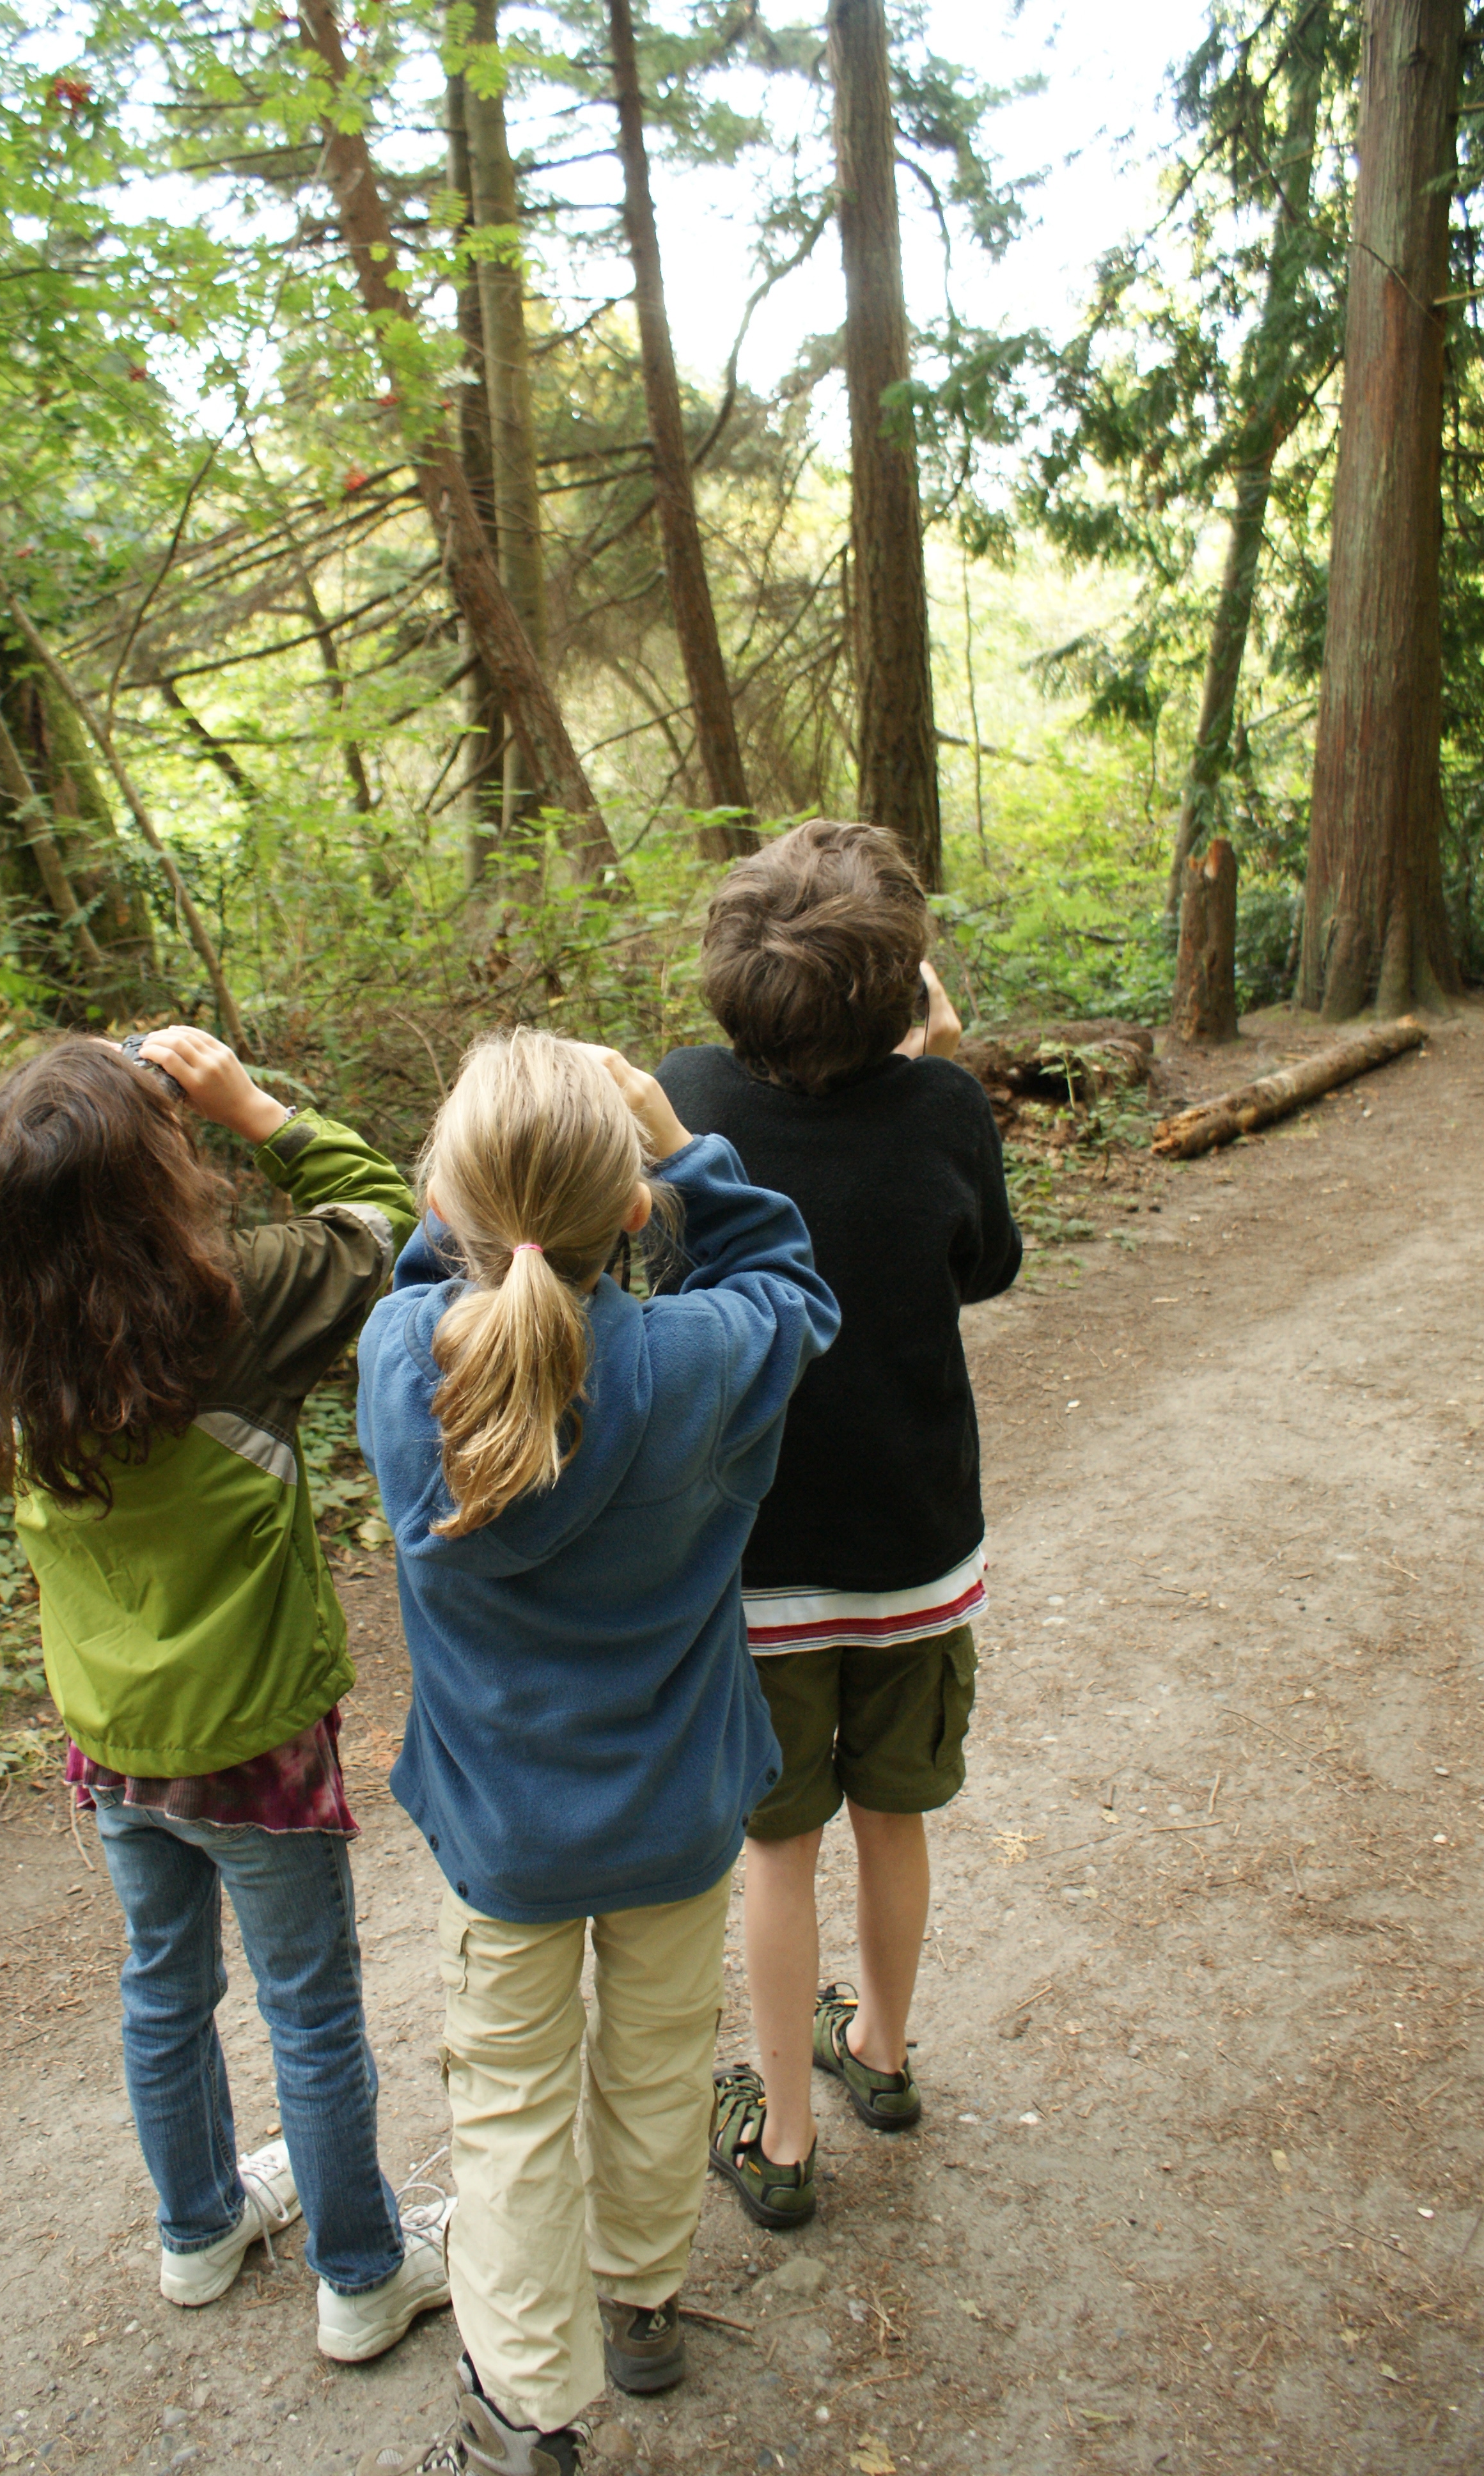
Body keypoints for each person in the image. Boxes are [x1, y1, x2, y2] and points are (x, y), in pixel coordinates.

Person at [354, 1029, 838, 2476]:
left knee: (506, 2107)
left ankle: (526, 2412)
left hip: (502, 1837)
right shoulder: (699, 1361)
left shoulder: (400, 1362)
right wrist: (680, 1141)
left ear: (449, 1202)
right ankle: (642, 2305)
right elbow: (792, 1289)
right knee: (655, 2064)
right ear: (632, 1212)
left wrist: (479, 1201)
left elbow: (418, 1283)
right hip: (680, 1815)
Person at [0, 1026, 451, 2365]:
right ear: (157, 1175)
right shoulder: (231, 1307)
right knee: (312, 2008)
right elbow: (401, 1221)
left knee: (163, 1986)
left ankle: (198, 2230)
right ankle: (361, 2272)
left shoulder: (5, 1336)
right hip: (254, 1748)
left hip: (114, 1741)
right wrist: (254, 1107)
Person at [654, 820, 1022, 2230]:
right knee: (898, 1819)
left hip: (757, 1571)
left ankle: (788, 2139)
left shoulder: (684, 1099)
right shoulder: (948, 1111)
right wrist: (930, 1065)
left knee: (777, 1849)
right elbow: (979, 1263)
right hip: (917, 1555)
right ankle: (880, 2051)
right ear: (906, 981)